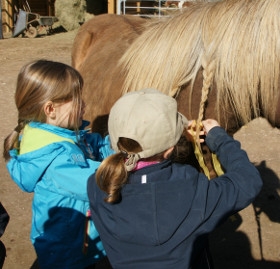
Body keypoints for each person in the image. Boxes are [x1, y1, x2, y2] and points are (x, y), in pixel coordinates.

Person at [87, 88, 263, 269]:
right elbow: (248, 180)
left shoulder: (97, 185)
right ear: (171, 149)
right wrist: (219, 138)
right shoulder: (193, 189)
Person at [3, 60, 114, 269]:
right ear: (50, 109)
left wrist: (120, 142)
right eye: (77, 99)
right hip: (70, 254)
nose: (85, 104)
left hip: (80, 242)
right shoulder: (55, 159)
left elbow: (96, 146)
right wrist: (129, 164)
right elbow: (97, 183)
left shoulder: (66, 135)